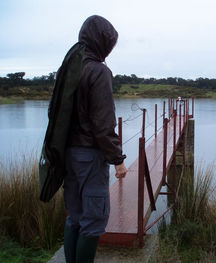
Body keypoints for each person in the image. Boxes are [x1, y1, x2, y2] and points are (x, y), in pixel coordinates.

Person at [63, 15, 127, 263]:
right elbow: (103, 124)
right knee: (94, 219)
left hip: (68, 154)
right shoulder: (99, 71)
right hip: (90, 157)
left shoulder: (69, 68)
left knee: (75, 217)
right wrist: (118, 159)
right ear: (102, 41)